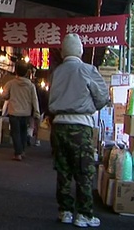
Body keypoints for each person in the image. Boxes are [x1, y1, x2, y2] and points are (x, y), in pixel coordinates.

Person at [49, 33, 109, 228]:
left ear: (63, 51)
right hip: (80, 125)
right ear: (80, 50)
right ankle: (84, 214)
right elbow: (102, 97)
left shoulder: (56, 73)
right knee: (84, 170)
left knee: (63, 169)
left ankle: (65, 211)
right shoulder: (87, 69)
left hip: (58, 125)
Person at [1, 64, 40, 161]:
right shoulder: (31, 85)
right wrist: (36, 113)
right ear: (27, 72)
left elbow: (4, 96)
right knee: (23, 132)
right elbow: (34, 100)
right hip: (26, 113)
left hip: (14, 111)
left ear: (16, 71)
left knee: (15, 132)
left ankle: (17, 153)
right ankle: (22, 151)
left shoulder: (10, 83)